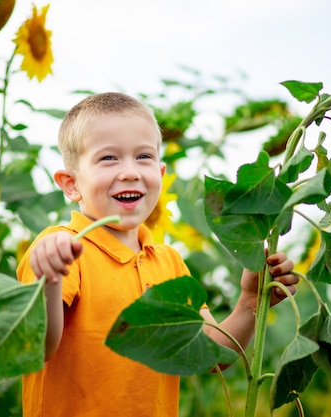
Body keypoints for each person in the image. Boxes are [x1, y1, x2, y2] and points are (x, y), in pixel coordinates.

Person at [16, 92, 298, 417]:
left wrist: (249, 303)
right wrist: (49, 280)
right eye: (109, 158)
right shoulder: (60, 249)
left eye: (144, 157)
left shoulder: (168, 263)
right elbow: (37, 348)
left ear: (161, 175)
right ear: (71, 184)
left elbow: (210, 354)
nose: (130, 172)